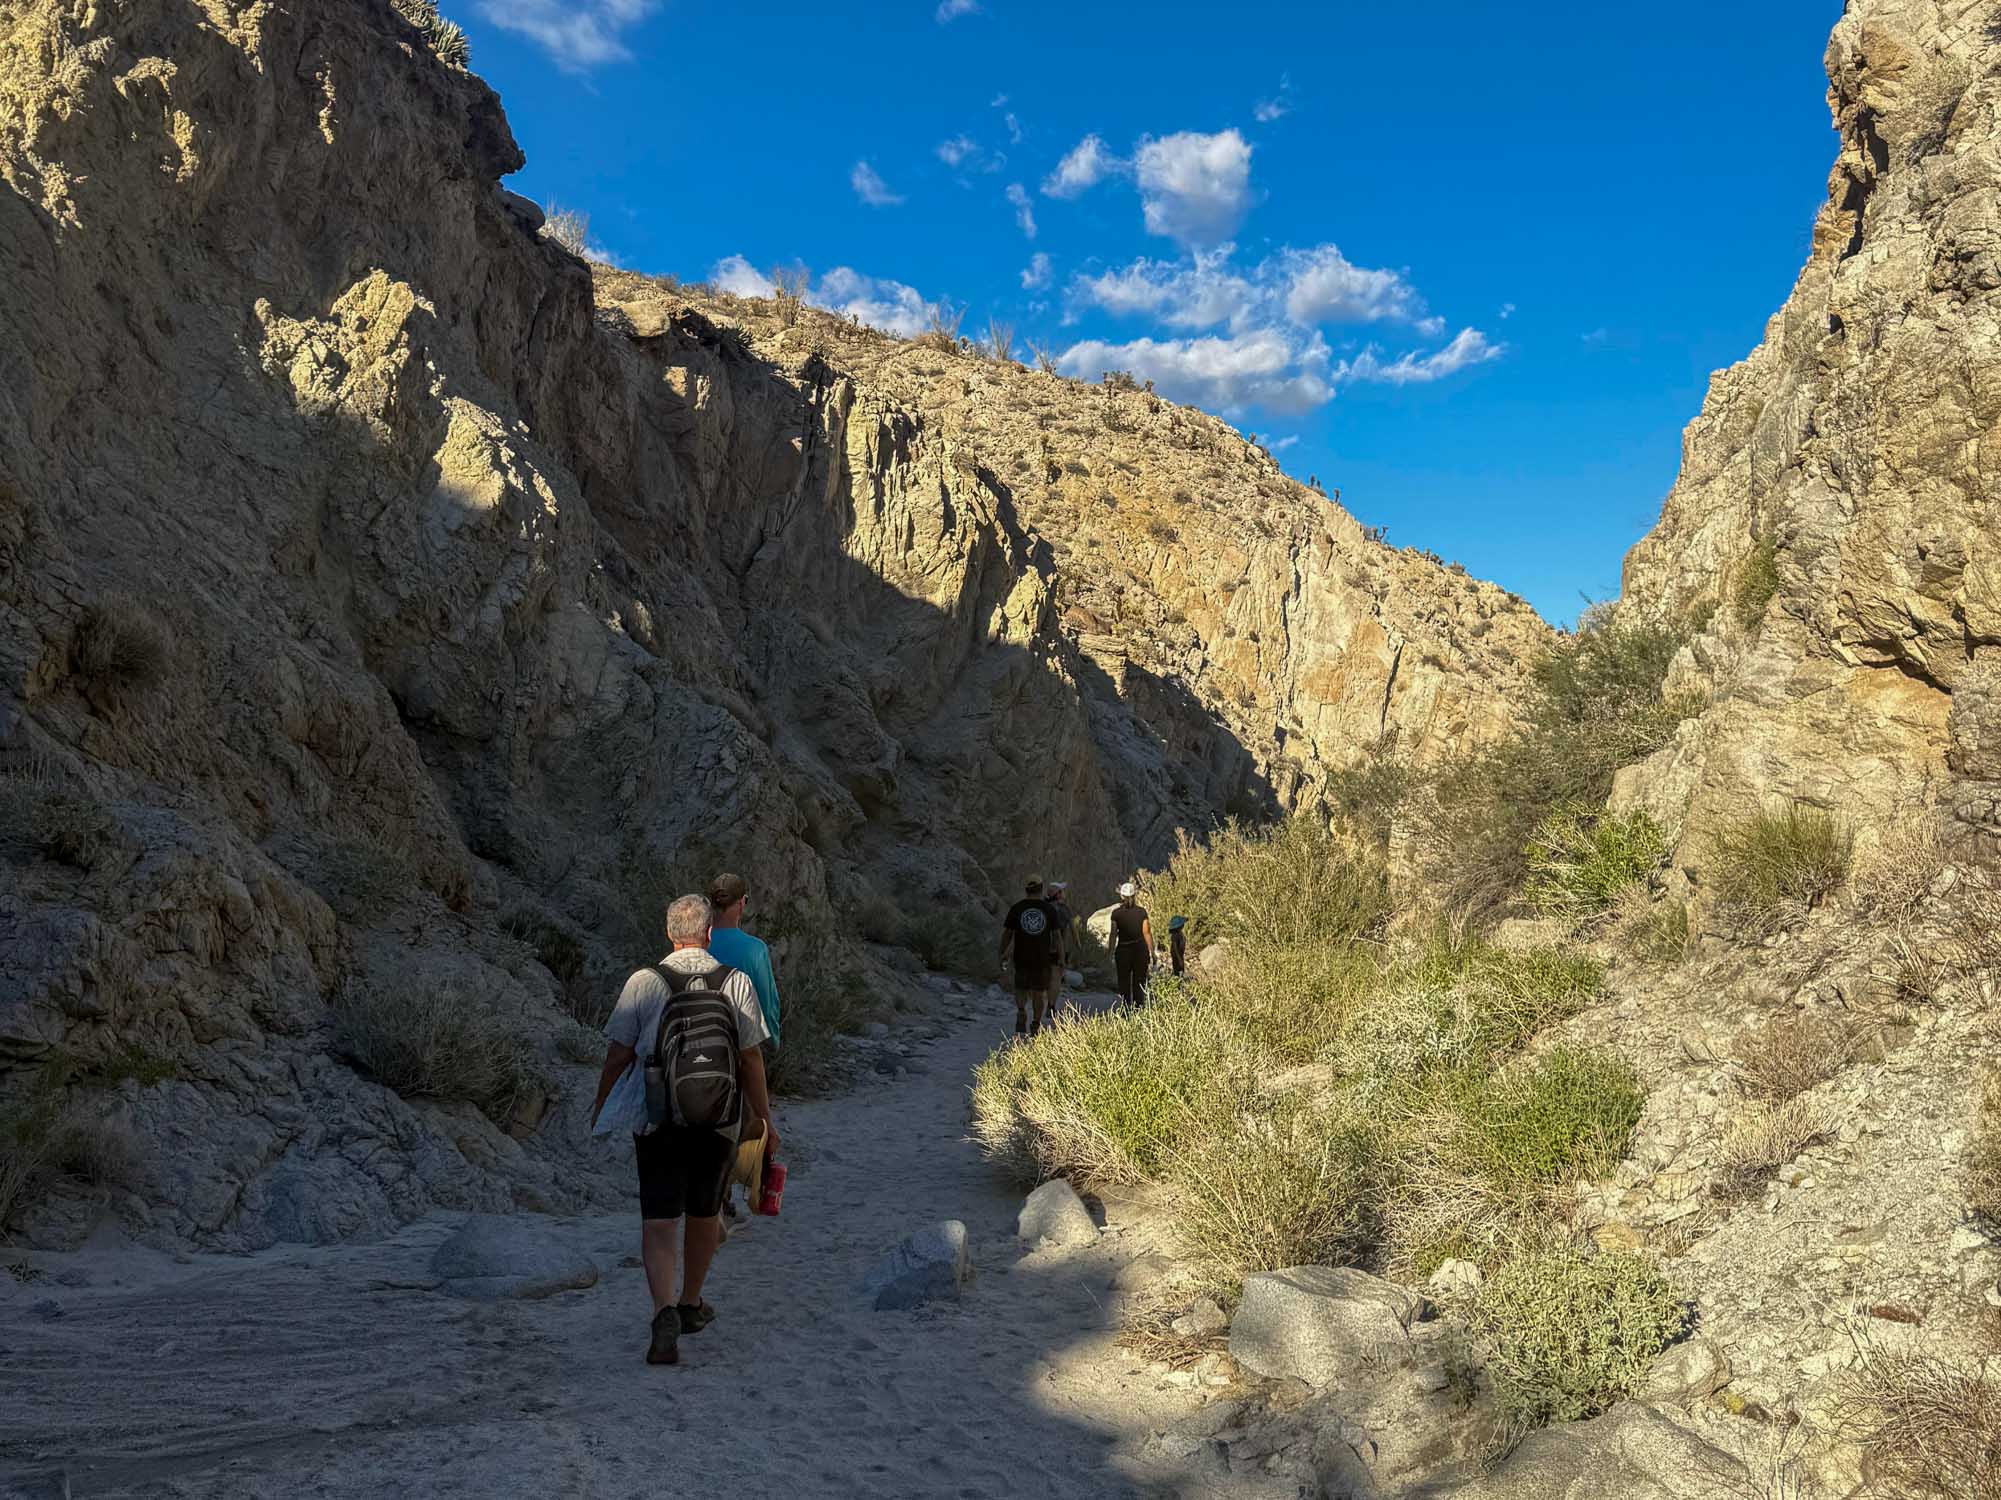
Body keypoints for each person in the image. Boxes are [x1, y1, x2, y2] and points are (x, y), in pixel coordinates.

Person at [590, 893, 776, 1367]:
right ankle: (691, 1301)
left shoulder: (644, 982)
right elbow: (751, 1056)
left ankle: (662, 1312)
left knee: (658, 1219)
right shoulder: (735, 982)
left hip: (657, 1116)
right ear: (710, 934)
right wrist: (763, 1118)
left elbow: (618, 1053)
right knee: (704, 1211)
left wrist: (601, 1101)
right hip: (719, 1118)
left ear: (670, 934)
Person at [706, 873, 781, 1048]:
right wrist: (772, 1040)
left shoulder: (698, 942)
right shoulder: (755, 949)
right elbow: (766, 1000)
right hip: (739, 1043)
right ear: (741, 903)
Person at [999, 874, 1063, 1037]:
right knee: (1039, 992)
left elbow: (1007, 934)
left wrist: (1002, 952)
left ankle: (1021, 1010)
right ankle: (1035, 1023)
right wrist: (1061, 957)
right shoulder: (1049, 910)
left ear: (1026, 889)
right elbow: (1057, 936)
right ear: (1041, 889)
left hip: (1021, 956)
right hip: (1042, 958)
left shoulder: (1017, 908)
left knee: (1020, 987)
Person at [1110, 881, 1154, 1009]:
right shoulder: (1142, 912)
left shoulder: (1116, 913)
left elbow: (1113, 934)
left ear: (1122, 896)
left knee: (1124, 981)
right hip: (1140, 950)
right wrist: (1152, 952)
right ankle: (1138, 1008)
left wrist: (1109, 952)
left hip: (1123, 950)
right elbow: (1146, 932)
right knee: (1139, 981)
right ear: (1134, 896)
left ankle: (1125, 1008)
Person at [1046, 880, 1079, 1005]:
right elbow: (1073, 929)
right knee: (1056, 977)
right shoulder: (1064, 909)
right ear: (1058, 894)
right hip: (1058, 948)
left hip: (1041, 947)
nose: (1064, 893)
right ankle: (1051, 1005)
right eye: (1062, 891)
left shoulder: (1044, 906)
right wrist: (1077, 945)